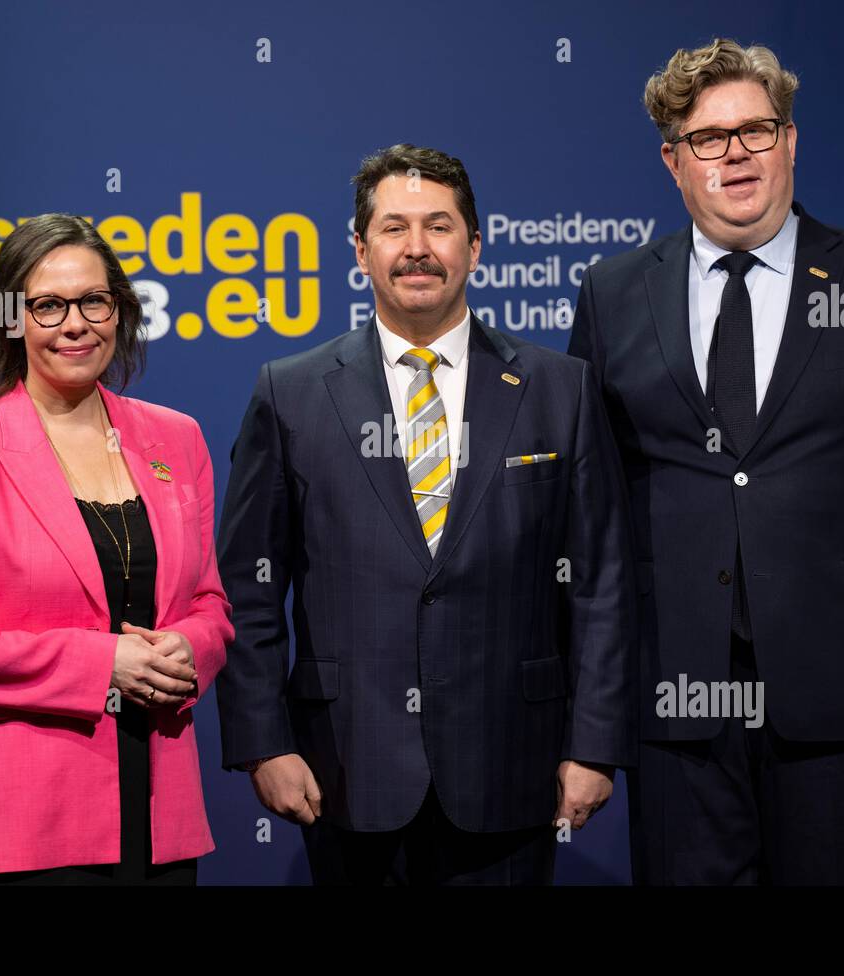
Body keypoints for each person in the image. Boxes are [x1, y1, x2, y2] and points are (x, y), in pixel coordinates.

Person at [567, 38, 844, 884]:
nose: (737, 154)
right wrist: (594, 704)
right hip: (676, 704)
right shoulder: (612, 295)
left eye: (757, 130)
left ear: (790, 142)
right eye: (710, 138)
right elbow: (591, 509)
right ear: (673, 161)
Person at [216, 144, 635, 885]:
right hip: (345, 772)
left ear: (475, 245)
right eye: (393, 228)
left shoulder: (560, 391)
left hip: (515, 767)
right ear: (359, 249)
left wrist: (595, 745)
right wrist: (264, 744)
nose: (417, 249)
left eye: (439, 227)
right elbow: (248, 592)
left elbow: (602, 585)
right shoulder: (291, 393)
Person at [0, 213, 233, 884]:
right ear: (11, 321)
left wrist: (194, 646)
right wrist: (102, 662)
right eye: (47, 305)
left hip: (158, 818)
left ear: (120, 311)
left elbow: (210, 601)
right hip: (17, 828)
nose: (74, 324)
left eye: (93, 301)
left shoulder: (178, 439)